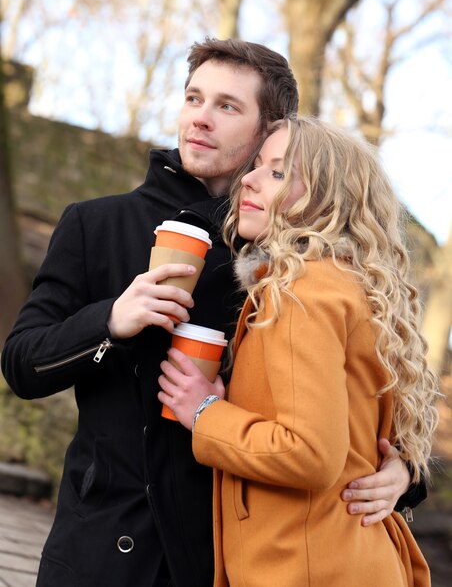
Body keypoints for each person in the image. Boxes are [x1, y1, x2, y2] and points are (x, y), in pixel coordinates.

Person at [1, 40, 422, 587]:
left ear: (269, 129)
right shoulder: (96, 224)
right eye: (193, 97)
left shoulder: (290, 258)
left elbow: (364, 390)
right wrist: (110, 320)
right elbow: (22, 366)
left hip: (225, 558)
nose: (200, 118)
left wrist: (404, 472)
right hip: (102, 550)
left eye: (227, 106)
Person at [158, 117, 439, 587]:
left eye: (276, 172)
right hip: (344, 556)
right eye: (257, 167)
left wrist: (204, 412)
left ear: (326, 199)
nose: (247, 179)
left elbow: (309, 453)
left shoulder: (303, 289)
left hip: (309, 568)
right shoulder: (347, 285)